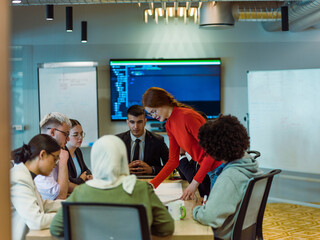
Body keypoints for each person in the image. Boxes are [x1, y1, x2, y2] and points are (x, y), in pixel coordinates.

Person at [50, 135, 174, 237]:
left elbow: (56, 228)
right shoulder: (140, 189)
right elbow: (166, 227)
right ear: (122, 158)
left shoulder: (81, 192)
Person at [142, 87, 221, 200]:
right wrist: (152, 184)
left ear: (163, 102)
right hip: (210, 171)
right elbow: (173, 161)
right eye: (150, 114)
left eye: (154, 111)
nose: (153, 116)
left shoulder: (187, 116)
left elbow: (212, 151)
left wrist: (194, 183)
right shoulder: (169, 125)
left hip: (221, 168)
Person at [192, 115, 263, 240]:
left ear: (215, 149)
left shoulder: (230, 177)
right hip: (242, 233)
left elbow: (209, 217)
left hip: (223, 236)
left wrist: (196, 209)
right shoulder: (250, 166)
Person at [11, 134, 63, 240]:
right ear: (42, 154)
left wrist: (71, 204)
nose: (55, 165)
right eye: (55, 159)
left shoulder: (26, 175)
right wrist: (69, 215)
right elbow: (36, 221)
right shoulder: (19, 178)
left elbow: (42, 204)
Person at [116, 105, 169, 175]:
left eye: (139, 122)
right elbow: (107, 167)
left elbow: (171, 167)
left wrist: (152, 170)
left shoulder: (158, 140)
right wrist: (123, 170)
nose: (136, 126)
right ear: (127, 122)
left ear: (145, 121)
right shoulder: (118, 140)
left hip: (150, 181)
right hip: (125, 181)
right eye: (132, 122)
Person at [34, 112, 71, 200]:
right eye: (66, 134)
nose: (68, 139)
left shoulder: (57, 152)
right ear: (53, 131)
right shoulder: (41, 157)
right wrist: (62, 162)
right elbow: (60, 196)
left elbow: (65, 185)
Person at [66, 119, 92, 190]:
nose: (80, 137)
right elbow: (68, 181)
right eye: (75, 135)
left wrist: (88, 175)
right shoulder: (63, 154)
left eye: (81, 134)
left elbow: (86, 170)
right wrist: (82, 179)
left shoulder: (77, 151)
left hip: (79, 189)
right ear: (67, 136)